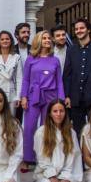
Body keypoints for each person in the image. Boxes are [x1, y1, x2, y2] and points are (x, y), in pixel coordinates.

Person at [20, 30, 64, 169]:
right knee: (29, 127)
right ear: (38, 40)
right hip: (34, 95)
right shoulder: (30, 59)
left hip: (51, 97)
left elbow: (60, 81)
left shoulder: (55, 60)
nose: (47, 40)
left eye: (48, 38)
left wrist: (60, 99)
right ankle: (27, 158)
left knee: (48, 127)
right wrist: (23, 96)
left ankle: (46, 157)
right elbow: (26, 80)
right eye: (44, 38)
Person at [31, 99, 82, 182]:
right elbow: (42, 158)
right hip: (45, 173)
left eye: (61, 111)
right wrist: (52, 176)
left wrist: (66, 177)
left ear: (65, 113)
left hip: (66, 173)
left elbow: (74, 156)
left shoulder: (71, 133)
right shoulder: (41, 132)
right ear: (50, 113)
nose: (58, 114)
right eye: (55, 111)